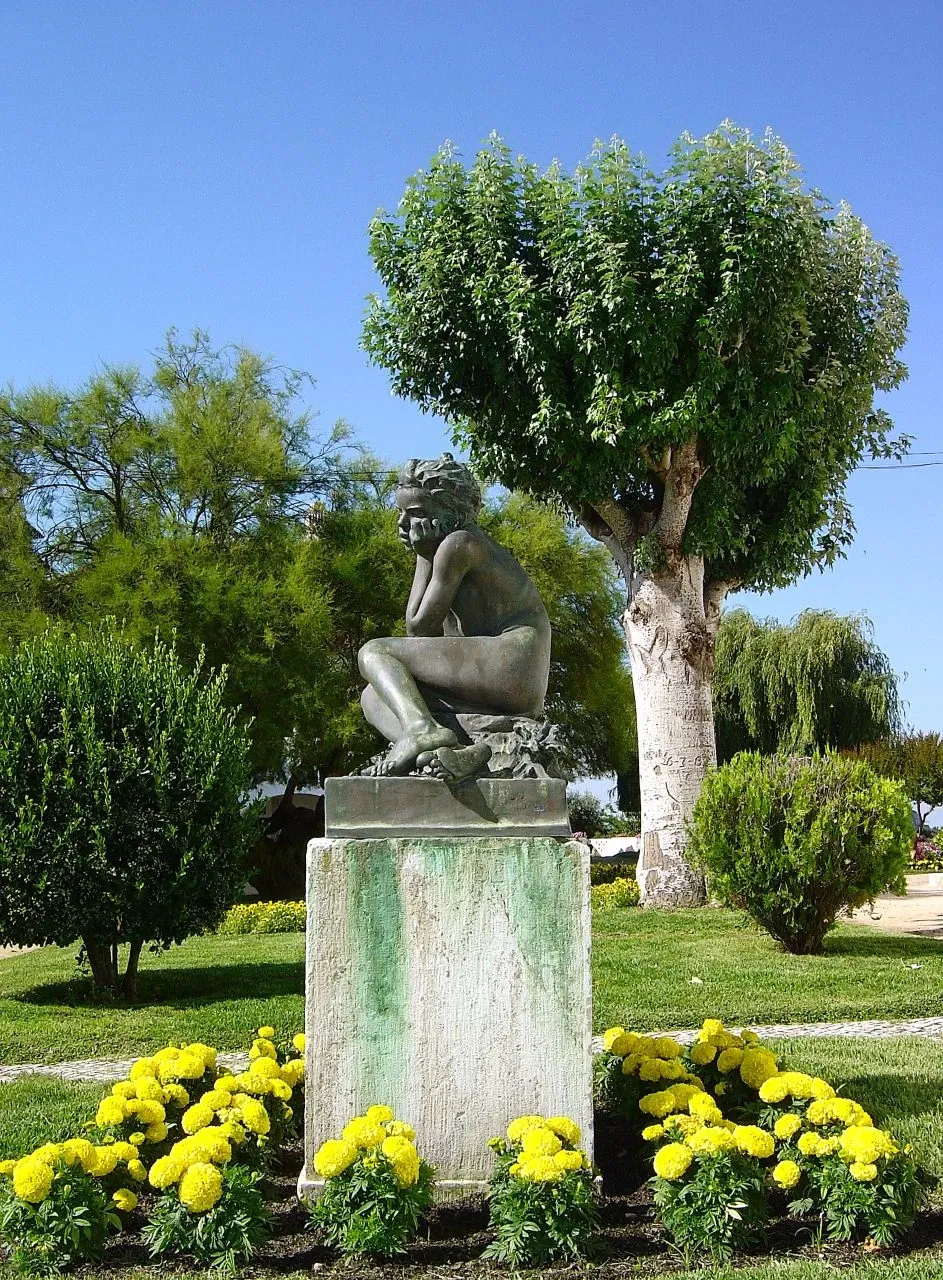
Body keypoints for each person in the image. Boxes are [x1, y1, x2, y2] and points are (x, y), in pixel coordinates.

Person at [358, 454, 551, 778]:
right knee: (373, 697)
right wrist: (426, 553)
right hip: (503, 675)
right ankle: (459, 752)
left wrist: (423, 556)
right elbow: (422, 633)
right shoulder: (452, 546)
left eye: (415, 513)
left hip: (515, 664)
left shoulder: (459, 545)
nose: (403, 524)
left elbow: (419, 629)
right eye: (400, 513)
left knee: (374, 652)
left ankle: (421, 730)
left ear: (447, 510)